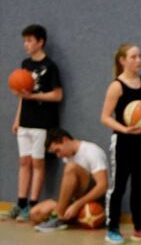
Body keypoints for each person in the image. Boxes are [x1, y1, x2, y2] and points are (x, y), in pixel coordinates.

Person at [100, 44, 141, 245]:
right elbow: (105, 117)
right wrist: (125, 129)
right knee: (118, 187)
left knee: (140, 186)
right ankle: (112, 228)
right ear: (122, 61)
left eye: (140, 56)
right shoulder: (116, 86)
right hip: (123, 141)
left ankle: (139, 228)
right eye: (133, 57)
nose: (138, 60)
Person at [6, 25, 63, 221]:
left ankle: (32, 204)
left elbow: (57, 95)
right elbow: (23, 97)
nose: (26, 45)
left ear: (40, 42)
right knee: (24, 162)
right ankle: (20, 202)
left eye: (30, 40)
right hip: (25, 122)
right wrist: (17, 119)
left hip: (42, 123)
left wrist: (34, 95)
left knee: (38, 163)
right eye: (24, 41)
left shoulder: (51, 66)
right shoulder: (25, 64)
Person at [31, 129, 109, 232]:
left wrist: (77, 205)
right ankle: (64, 217)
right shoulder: (67, 156)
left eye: (58, 150)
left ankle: (59, 217)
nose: (58, 155)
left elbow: (103, 186)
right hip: (76, 199)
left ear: (65, 140)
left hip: (96, 201)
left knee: (71, 167)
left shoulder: (92, 151)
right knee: (35, 213)